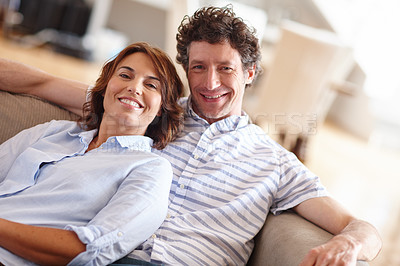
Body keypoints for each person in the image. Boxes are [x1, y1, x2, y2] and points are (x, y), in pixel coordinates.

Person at [0, 6, 382, 266]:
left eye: (225, 68)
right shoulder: (148, 111)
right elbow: (41, 81)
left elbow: (362, 226)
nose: (210, 83)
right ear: (186, 69)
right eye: (198, 67)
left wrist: (347, 244)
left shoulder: (276, 163)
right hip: (105, 255)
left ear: (250, 72)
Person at [0, 42, 184, 265]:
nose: (135, 88)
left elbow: (88, 251)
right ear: (106, 86)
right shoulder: (55, 131)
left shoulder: (151, 169)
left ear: (162, 109)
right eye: (125, 75)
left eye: (151, 86)